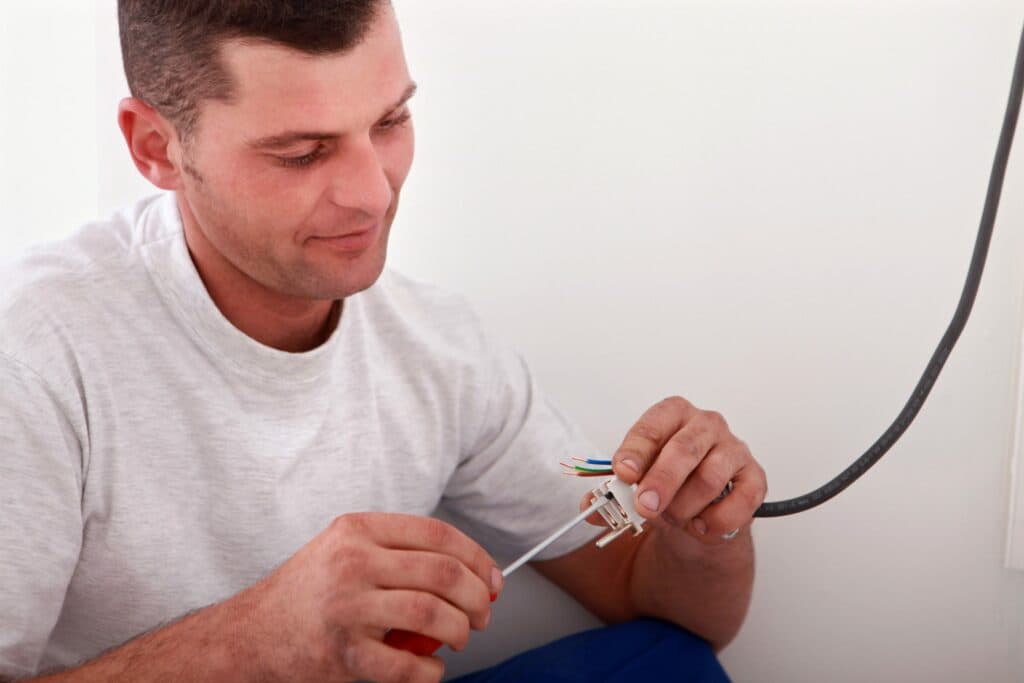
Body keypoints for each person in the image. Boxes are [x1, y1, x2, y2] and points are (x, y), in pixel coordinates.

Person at [0, 2, 767, 681]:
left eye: (390, 122)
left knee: (671, 665)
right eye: (302, 153)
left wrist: (703, 531)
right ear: (157, 148)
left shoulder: (439, 350)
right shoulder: (35, 355)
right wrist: (250, 642)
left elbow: (650, 594)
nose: (373, 192)